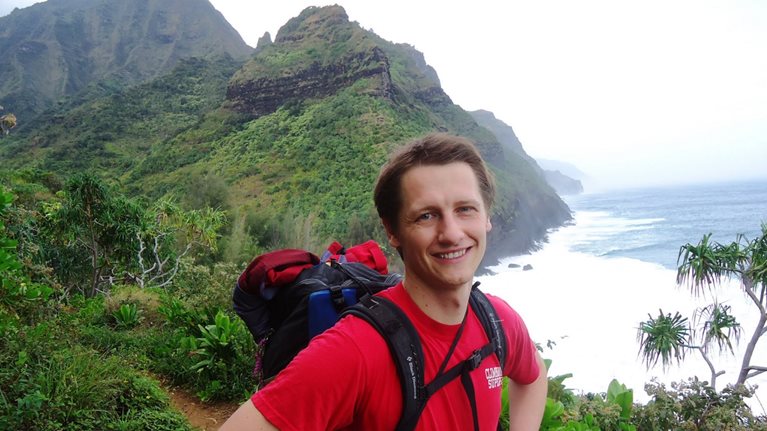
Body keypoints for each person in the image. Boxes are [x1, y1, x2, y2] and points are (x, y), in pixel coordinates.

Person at [220, 133, 547, 431]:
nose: (451, 233)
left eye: (465, 209)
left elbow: (533, 378)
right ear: (393, 231)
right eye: (426, 215)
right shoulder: (357, 350)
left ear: (487, 217)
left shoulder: (499, 321)